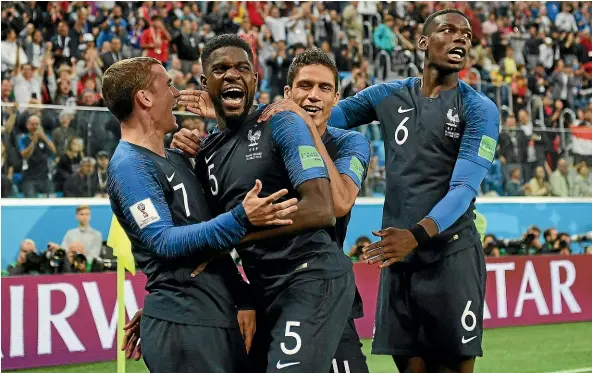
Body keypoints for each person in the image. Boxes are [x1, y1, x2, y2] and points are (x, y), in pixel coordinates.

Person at [264, 9, 500, 373]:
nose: (460, 39)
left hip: (449, 256)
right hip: (399, 255)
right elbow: (321, 114)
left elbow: (464, 189)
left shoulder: (479, 109)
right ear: (422, 42)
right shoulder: (389, 95)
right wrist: (243, 119)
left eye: (466, 35)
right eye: (448, 30)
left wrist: (416, 235)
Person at [172, 47, 371, 373]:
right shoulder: (264, 129)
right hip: (266, 287)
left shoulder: (349, 142)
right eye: (305, 86)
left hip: (317, 282)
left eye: (324, 88)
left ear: (336, 98)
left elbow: (337, 204)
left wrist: (300, 122)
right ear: (288, 93)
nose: (314, 95)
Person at [102, 56, 298, 373]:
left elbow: (207, 242)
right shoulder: (129, 167)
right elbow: (162, 241)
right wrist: (242, 218)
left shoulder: (178, 158)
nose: (177, 93)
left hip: (214, 316)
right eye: (168, 85)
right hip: (184, 326)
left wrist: (242, 296)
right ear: (145, 98)